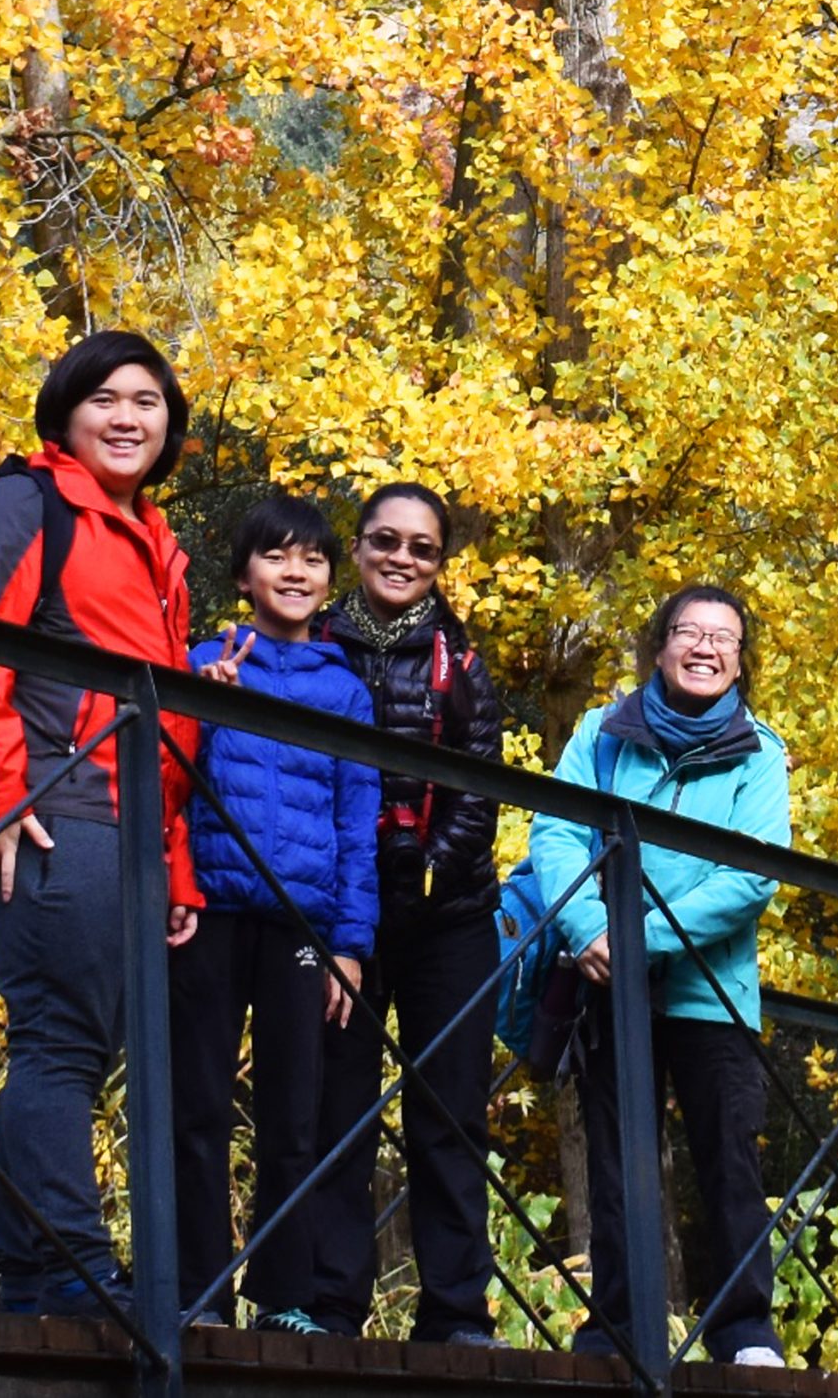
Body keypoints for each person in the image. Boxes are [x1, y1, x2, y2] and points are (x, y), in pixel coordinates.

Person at [0, 329, 204, 1318]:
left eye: (146, 401)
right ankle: (66, 1273)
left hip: (130, 828)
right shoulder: (28, 504)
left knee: (72, 1048)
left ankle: (44, 1270)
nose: (127, 418)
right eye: (105, 399)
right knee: (59, 1043)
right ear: (66, 412)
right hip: (60, 811)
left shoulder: (153, 539)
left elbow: (165, 727)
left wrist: (174, 863)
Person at [527, 584, 791, 1368]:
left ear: (741, 659)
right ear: (661, 643)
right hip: (609, 983)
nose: (705, 647)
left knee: (729, 1159)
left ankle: (745, 1331)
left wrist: (637, 939)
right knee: (617, 1164)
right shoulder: (601, 732)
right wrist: (587, 929)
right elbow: (556, 830)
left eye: (724, 637)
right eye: (689, 631)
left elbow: (752, 873)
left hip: (711, 989)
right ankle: (617, 1328)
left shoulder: (759, 750)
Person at [174, 494, 381, 1334]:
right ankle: (197, 1290)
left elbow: (357, 823)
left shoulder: (345, 691)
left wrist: (351, 944)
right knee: (197, 1101)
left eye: (313, 558)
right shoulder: (204, 660)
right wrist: (198, 704)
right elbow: (165, 783)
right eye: (276, 555)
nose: (296, 571)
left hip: (303, 923)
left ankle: (285, 1295)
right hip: (210, 910)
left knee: (295, 1111)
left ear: (330, 577)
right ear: (242, 575)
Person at [309, 481, 505, 1345]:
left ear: (440, 563)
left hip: (447, 914)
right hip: (337, 912)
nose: (401, 557)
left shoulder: (463, 663)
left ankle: (456, 1313)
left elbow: (478, 787)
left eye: (422, 547)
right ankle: (329, 1305)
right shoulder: (312, 643)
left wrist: (427, 872)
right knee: (335, 1107)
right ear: (356, 547)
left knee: (450, 1113)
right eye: (385, 540)